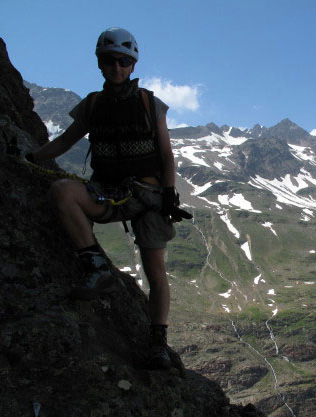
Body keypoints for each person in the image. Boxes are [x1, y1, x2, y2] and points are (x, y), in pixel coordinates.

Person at [26, 27, 191, 369]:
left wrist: (169, 193)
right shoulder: (92, 106)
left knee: (155, 271)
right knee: (62, 191)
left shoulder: (150, 103)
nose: (116, 67)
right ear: (100, 64)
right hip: (107, 191)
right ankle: (96, 265)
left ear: (132, 65)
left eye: (123, 61)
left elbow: (166, 154)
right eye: (110, 61)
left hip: (148, 195)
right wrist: (31, 158)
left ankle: (158, 343)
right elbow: (64, 143)